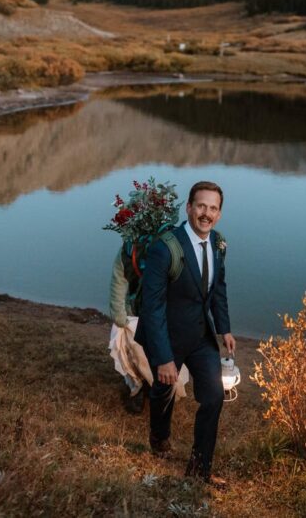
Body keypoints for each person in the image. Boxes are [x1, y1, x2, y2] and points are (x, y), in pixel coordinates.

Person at [135, 181, 235, 486]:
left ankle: (200, 467)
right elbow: (152, 308)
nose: (206, 213)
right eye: (201, 206)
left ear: (219, 214)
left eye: (213, 208)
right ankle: (159, 437)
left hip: (200, 335)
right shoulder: (165, 248)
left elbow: (218, 289)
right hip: (166, 334)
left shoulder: (218, 244)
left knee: (214, 397)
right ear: (189, 208)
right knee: (163, 390)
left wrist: (224, 328)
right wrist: (164, 358)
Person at [107, 251, 189, 413]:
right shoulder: (128, 251)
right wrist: (120, 316)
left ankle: (164, 388)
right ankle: (139, 385)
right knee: (133, 345)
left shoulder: (172, 248)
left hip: (165, 313)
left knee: (167, 347)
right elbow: (118, 282)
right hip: (134, 313)